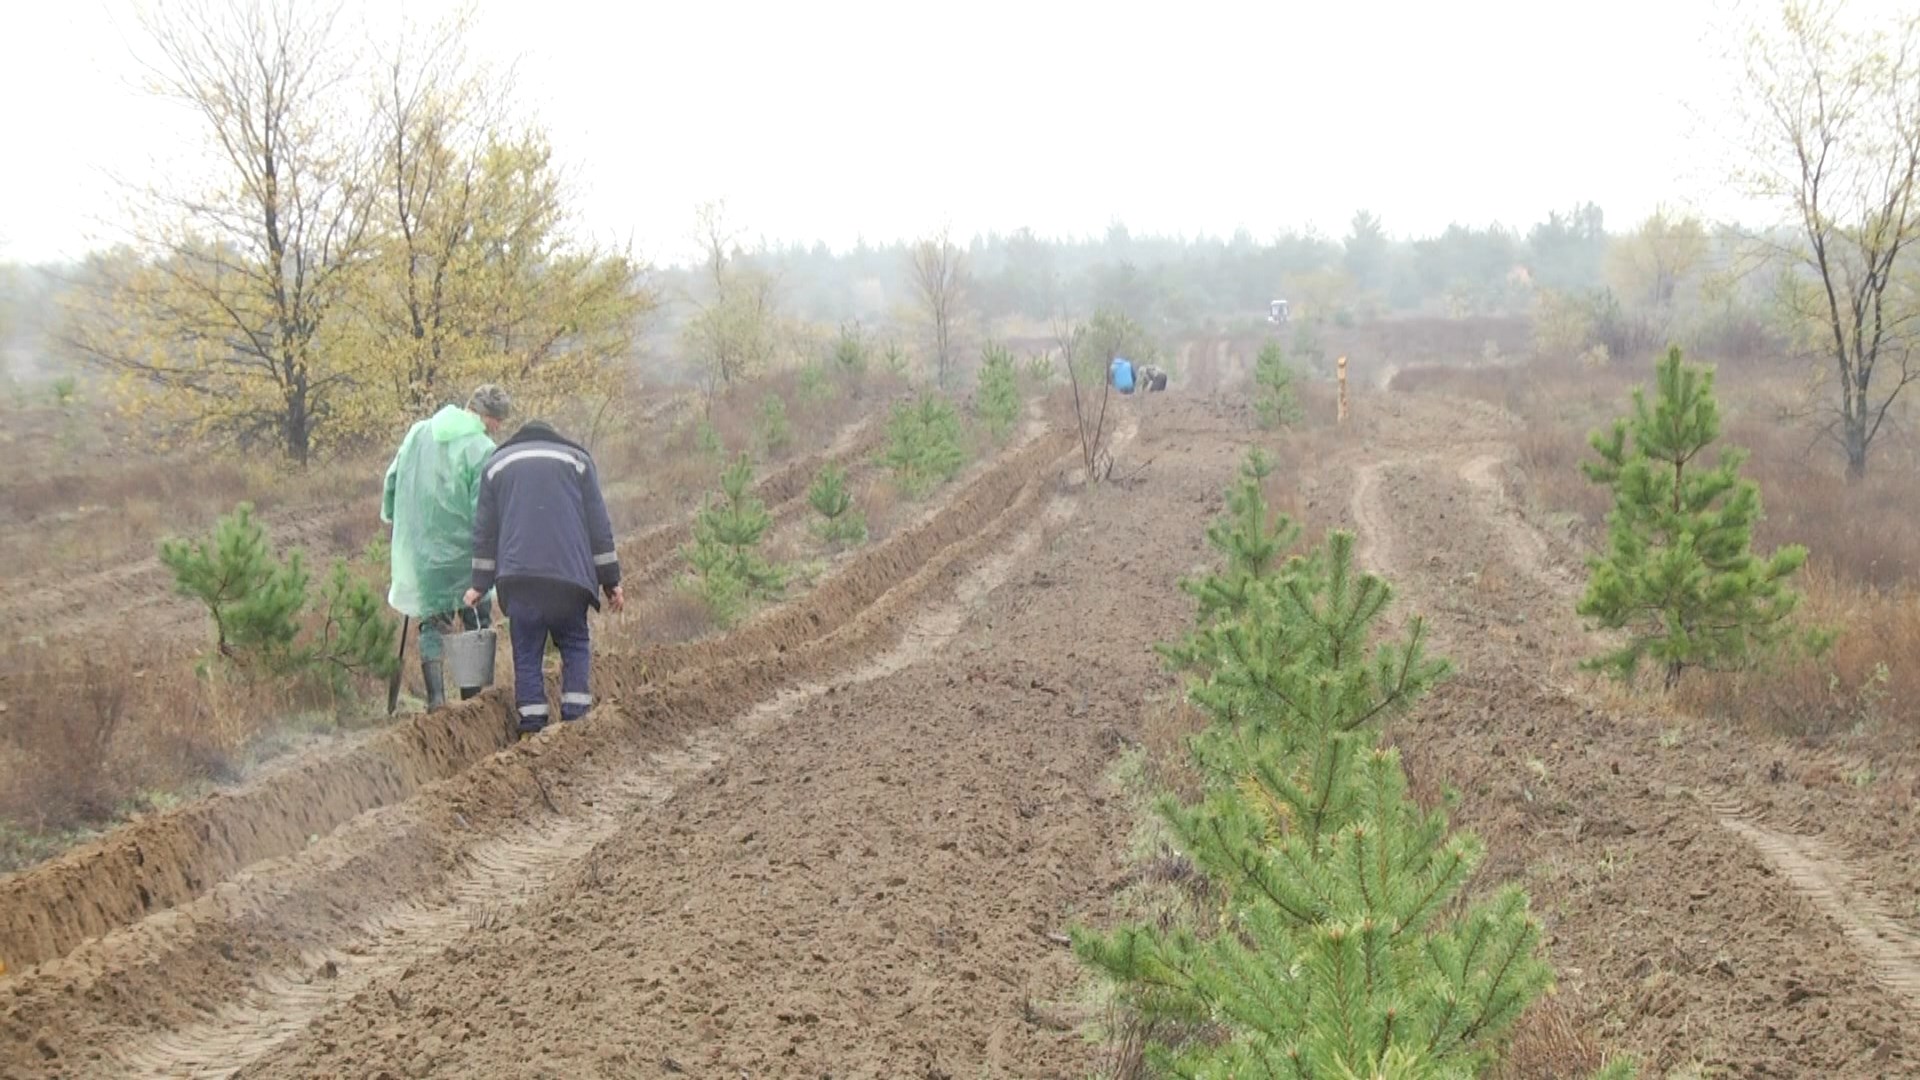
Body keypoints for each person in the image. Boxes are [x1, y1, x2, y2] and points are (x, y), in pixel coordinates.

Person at [464, 418, 625, 736]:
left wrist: (479, 585)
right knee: (575, 643)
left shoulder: (496, 465)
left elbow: (485, 531)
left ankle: (532, 726)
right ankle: (576, 721)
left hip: (519, 578)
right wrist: (611, 581)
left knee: (526, 649)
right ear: (554, 435)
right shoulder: (578, 461)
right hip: (570, 577)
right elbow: (599, 526)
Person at [382, 384, 513, 709]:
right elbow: (482, 507)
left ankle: (436, 700)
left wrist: (395, 519)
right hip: (465, 553)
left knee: (432, 621)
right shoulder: (482, 447)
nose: (497, 428)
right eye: (498, 421)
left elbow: (393, 481)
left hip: (425, 553)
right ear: (489, 417)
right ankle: (471, 701)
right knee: (475, 620)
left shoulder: (419, 433)